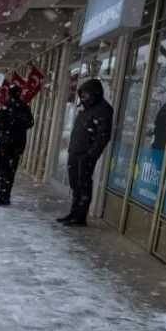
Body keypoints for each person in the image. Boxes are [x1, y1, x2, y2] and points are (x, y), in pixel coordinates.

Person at [58, 78, 113, 227]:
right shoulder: (85, 109)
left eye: (86, 93)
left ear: (94, 93)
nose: (83, 97)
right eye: (82, 94)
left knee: (84, 184)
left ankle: (81, 216)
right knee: (75, 184)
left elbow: (104, 134)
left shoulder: (103, 109)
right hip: (75, 151)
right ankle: (73, 212)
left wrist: (92, 153)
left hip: (86, 154)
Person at [0, 84, 35, 206]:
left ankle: (3, 196)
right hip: (17, 144)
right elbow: (30, 123)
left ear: (9, 94)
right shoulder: (24, 107)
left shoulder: (6, 107)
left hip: (5, 143)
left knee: (2, 170)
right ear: (19, 94)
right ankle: (6, 195)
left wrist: (3, 132)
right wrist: (18, 128)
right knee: (10, 171)